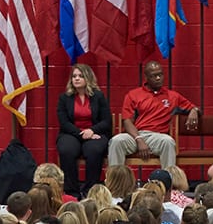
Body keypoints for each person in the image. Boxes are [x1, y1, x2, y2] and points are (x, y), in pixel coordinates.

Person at [108, 62, 200, 175]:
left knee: (168, 141)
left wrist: (194, 110)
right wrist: (139, 139)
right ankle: (115, 186)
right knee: (116, 141)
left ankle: (169, 186)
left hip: (157, 136)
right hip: (135, 135)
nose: (158, 78)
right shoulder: (133, 95)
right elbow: (127, 121)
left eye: (160, 75)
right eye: (154, 75)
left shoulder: (173, 96)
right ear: (146, 77)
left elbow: (195, 108)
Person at [56, 65, 114, 197]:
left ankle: (90, 191)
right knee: (67, 150)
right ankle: (72, 192)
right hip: (71, 133)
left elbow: (106, 121)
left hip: (95, 133)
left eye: (80, 76)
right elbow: (64, 122)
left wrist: (92, 130)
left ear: (88, 78)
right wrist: (82, 134)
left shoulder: (98, 96)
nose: (76, 79)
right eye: (74, 76)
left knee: (94, 150)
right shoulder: (65, 98)